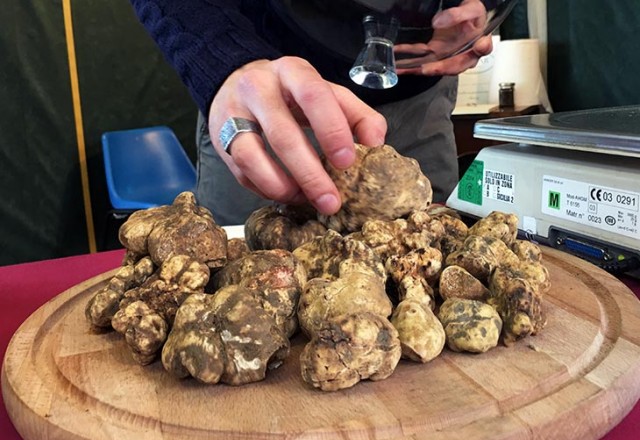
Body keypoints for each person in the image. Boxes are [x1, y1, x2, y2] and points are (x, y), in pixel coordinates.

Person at [129, 0, 495, 225]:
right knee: (241, 279)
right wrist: (222, 61)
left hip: (420, 86)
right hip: (268, 93)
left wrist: (482, 7)